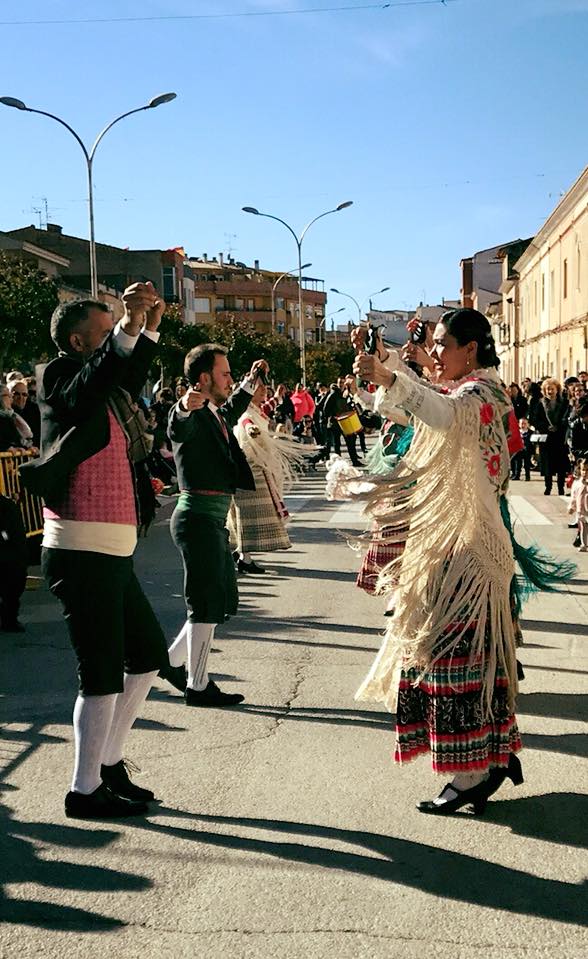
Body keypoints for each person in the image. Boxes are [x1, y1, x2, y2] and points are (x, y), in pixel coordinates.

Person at [353, 308, 525, 815]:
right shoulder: (472, 390)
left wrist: (391, 377)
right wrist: (385, 371)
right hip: (461, 547)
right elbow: (422, 412)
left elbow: (442, 412)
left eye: (443, 344)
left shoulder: (480, 395)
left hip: (469, 553)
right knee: (467, 659)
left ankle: (471, 774)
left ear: (470, 349)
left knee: (452, 660)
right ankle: (491, 759)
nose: (436, 352)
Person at [36, 285, 169, 820]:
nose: (117, 330)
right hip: (80, 547)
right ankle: (83, 790)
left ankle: (107, 764)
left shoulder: (108, 384)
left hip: (111, 548)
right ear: (77, 341)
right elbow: (93, 383)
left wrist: (149, 327)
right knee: (101, 673)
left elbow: (125, 375)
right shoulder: (60, 377)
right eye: (106, 327)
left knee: (148, 655)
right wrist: (129, 328)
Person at [166, 344, 268, 708]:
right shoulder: (192, 413)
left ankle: (171, 663)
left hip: (210, 520)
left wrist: (251, 381)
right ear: (204, 378)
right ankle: (197, 685)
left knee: (215, 600)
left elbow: (232, 407)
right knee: (205, 604)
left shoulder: (213, 413)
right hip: (196, 519)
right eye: (225, 374)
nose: (229, 379)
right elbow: (178, 424)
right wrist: (183, 406)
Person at [229, 381, 299, 573]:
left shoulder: (255, 410)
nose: (263, 391)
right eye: (259, 389)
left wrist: (277, 397)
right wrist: (252, 431)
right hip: (249, 471)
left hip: (254, 470)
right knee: (249, 515)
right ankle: (245, 558)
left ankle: (241, 554)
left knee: (246, 514)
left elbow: (264, 410)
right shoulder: (246, 414)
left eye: (264, 388)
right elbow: (247, 423)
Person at [530, 378, 570, 495]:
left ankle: (561, 487)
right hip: (546, 438)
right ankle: (548, 487)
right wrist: (546, 427)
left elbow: (566, 418)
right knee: (547, 465)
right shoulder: (540, 403)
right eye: (548, 389)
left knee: (561, 465)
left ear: (557, 390)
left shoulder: (564, 403)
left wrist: (558, 426)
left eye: (552, 389)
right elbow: (534, 419)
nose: (550, 391)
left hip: (560, 438)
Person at [0, 493, 28, 633]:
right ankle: (9, 620)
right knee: (12, 589)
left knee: (11, 589)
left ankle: (9, 619)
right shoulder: (8, 506)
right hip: (11, 555)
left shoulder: (8, 506)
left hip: (9, 554)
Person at [568, 459, 588, 551]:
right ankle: (584, 544)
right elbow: (574, 496)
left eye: (587, 470)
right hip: (581, 510)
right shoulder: (577, 483)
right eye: (583, 469)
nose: (585, 472)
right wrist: (572, 507)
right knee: (583, 527)